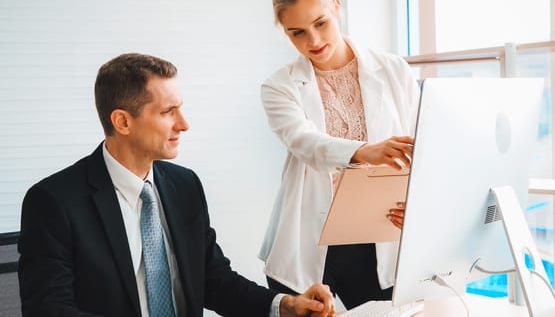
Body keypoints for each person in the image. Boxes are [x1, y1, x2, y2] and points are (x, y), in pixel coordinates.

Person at [18, 53, 336, 317]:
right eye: (168, 112)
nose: (184, 124)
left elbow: (213, 279)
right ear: (122, 122)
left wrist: (284, 305)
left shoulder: (184, 185)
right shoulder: (54, 201)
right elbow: (49, 309)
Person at [258, 0, 420, 311]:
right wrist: (365, 151)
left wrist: (418, 206)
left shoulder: (394, 70)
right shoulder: (279, 86)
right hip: (310, 242)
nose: (313, 42)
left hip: (381, 237)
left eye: (321, 23)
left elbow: (424, 152)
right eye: (297, 33)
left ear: (336, 6)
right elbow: (307, 143)